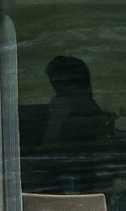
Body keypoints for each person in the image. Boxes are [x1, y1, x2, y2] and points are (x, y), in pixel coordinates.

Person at [41, 55, 115, 193]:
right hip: (87, 172)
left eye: (55, 79)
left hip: (64, 175)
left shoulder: (61, 103)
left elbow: (51, 142)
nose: (53, 84)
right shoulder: (91, 104)